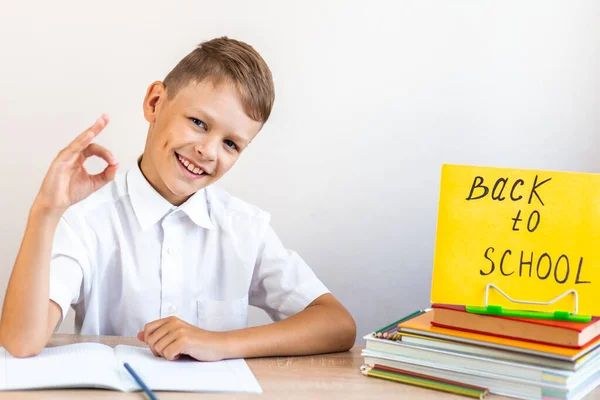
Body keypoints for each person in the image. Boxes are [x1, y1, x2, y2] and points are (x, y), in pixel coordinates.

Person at [0, 37, 356, 361]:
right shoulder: (86, 219)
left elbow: (337, 323)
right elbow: (20, 342)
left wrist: (219, 343)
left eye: (231, 144)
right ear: (155, 102)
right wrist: (45, 213)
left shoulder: (244, 227)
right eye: (199, 122)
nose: (207, 150)